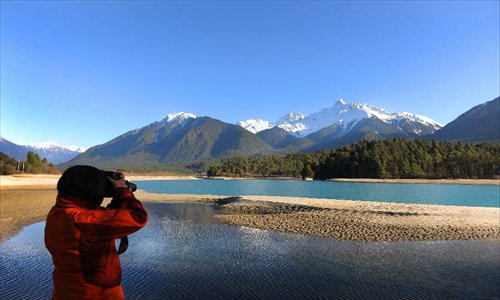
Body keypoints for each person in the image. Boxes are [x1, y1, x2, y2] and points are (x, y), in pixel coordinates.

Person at [45, 165, 148, 300]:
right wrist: (122, 190)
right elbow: (138, 217)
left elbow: (105, 220)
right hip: (93, 294)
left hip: (66, 291)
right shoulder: (83, 220)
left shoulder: (59, 211)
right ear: (92, 191)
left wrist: (118, 197)